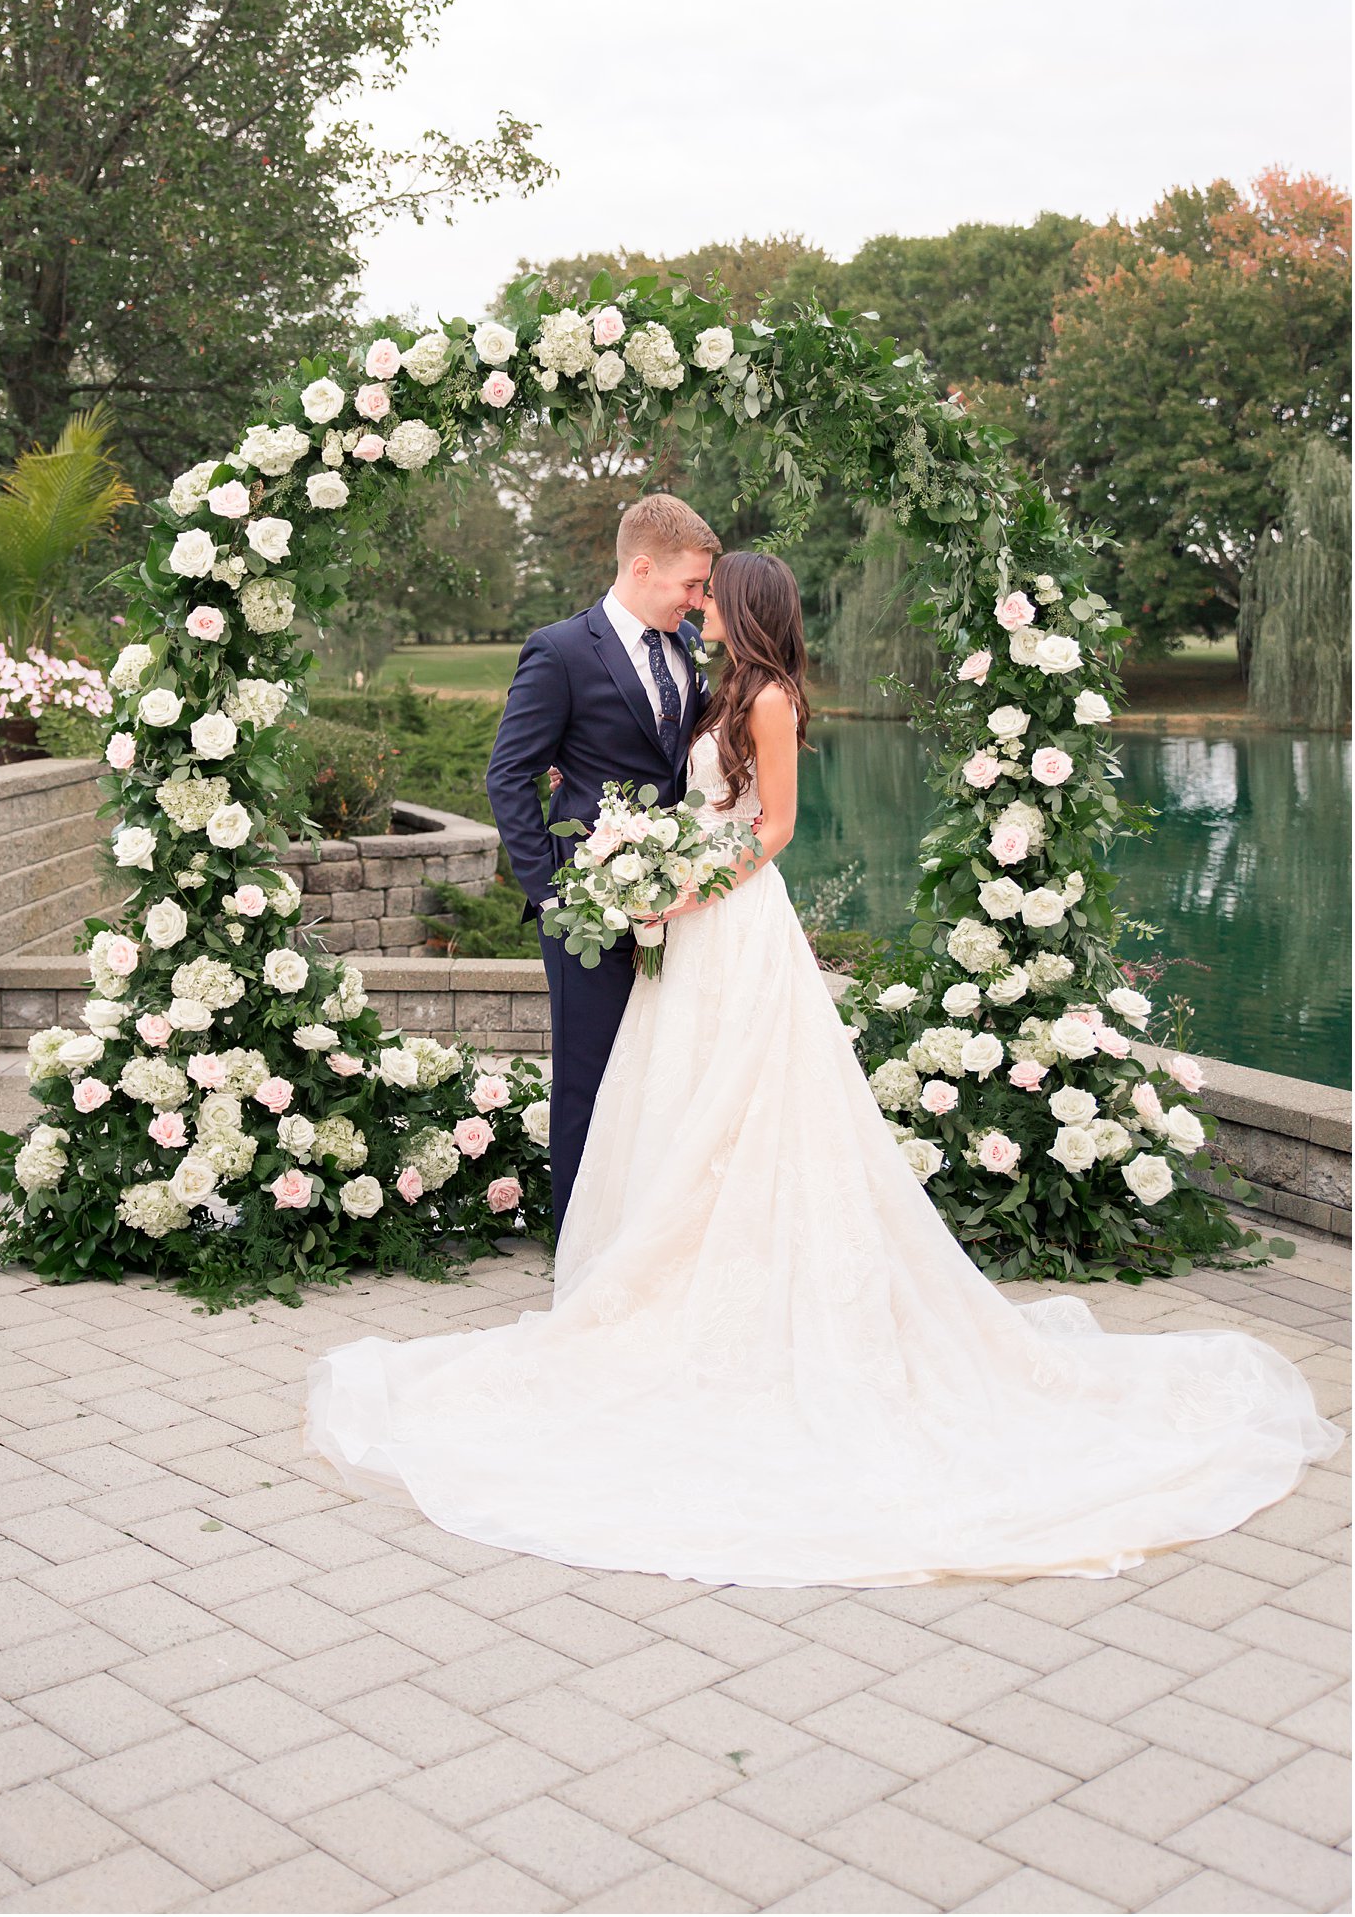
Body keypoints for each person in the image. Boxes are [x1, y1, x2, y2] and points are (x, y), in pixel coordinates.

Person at [307, 550, 1339, 1588]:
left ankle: (747, 1287)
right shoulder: (717, 683)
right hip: (691, 924)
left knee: (755, 1101)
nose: (695, 604)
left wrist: (682, 888)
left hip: (729, 922)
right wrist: (643, 863)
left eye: (711, 593)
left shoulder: (765, 697)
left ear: (742, 607)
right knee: (682, 1098)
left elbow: (777, 827)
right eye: (691, 586)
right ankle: (649, 1268)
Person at [483, 491, 720, 1238]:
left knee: (661, 1077)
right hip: (588, 907)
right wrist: (552, 891)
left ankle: (647, 1243)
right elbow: (508, 774)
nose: (699, 599)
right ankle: (579, 1254)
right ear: (642, 566)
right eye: (690, 585)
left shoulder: (682, 649)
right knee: (589, 1080)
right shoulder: (558, 650)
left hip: (677, 907)